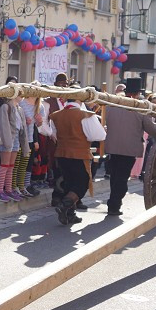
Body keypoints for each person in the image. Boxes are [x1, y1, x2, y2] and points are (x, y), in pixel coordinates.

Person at [103, 79, 156, 217]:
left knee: (115, 176)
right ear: (136, 94)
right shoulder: (140, 107)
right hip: (129, 148)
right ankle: (114, 204)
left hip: (112, 146)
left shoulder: (113, 105)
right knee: (122, 178)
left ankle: (113, 202)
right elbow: (150, 127)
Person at [48, 95, 107, 226]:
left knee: (69, 183)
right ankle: (65, 205)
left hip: (62, 153)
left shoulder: (56, 115)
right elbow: (98, 135)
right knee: (81, 184)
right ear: (79, 100)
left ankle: (70, 214)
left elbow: (54, 134)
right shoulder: (85, 115)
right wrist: (103, 130)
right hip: (79, 154)